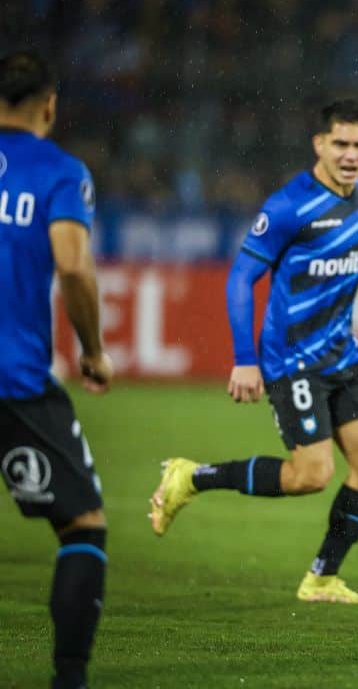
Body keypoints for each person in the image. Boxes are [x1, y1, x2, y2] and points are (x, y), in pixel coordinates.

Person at [149, 99, 358, 605]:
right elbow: (241, 278)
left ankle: (322, 578)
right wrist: (244, 358)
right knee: (311, 475)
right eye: (340, 143)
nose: (350, 154)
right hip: (291, 360)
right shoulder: (287, 207)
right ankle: (191, 476)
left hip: (343, 355)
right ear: (318, 144)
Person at [0, 49, 113, 689]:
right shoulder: (59, 172)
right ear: (49, 106)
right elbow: (72, 265)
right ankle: (69, 677)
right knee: (82, 525)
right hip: (15, 380)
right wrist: (92, 349)